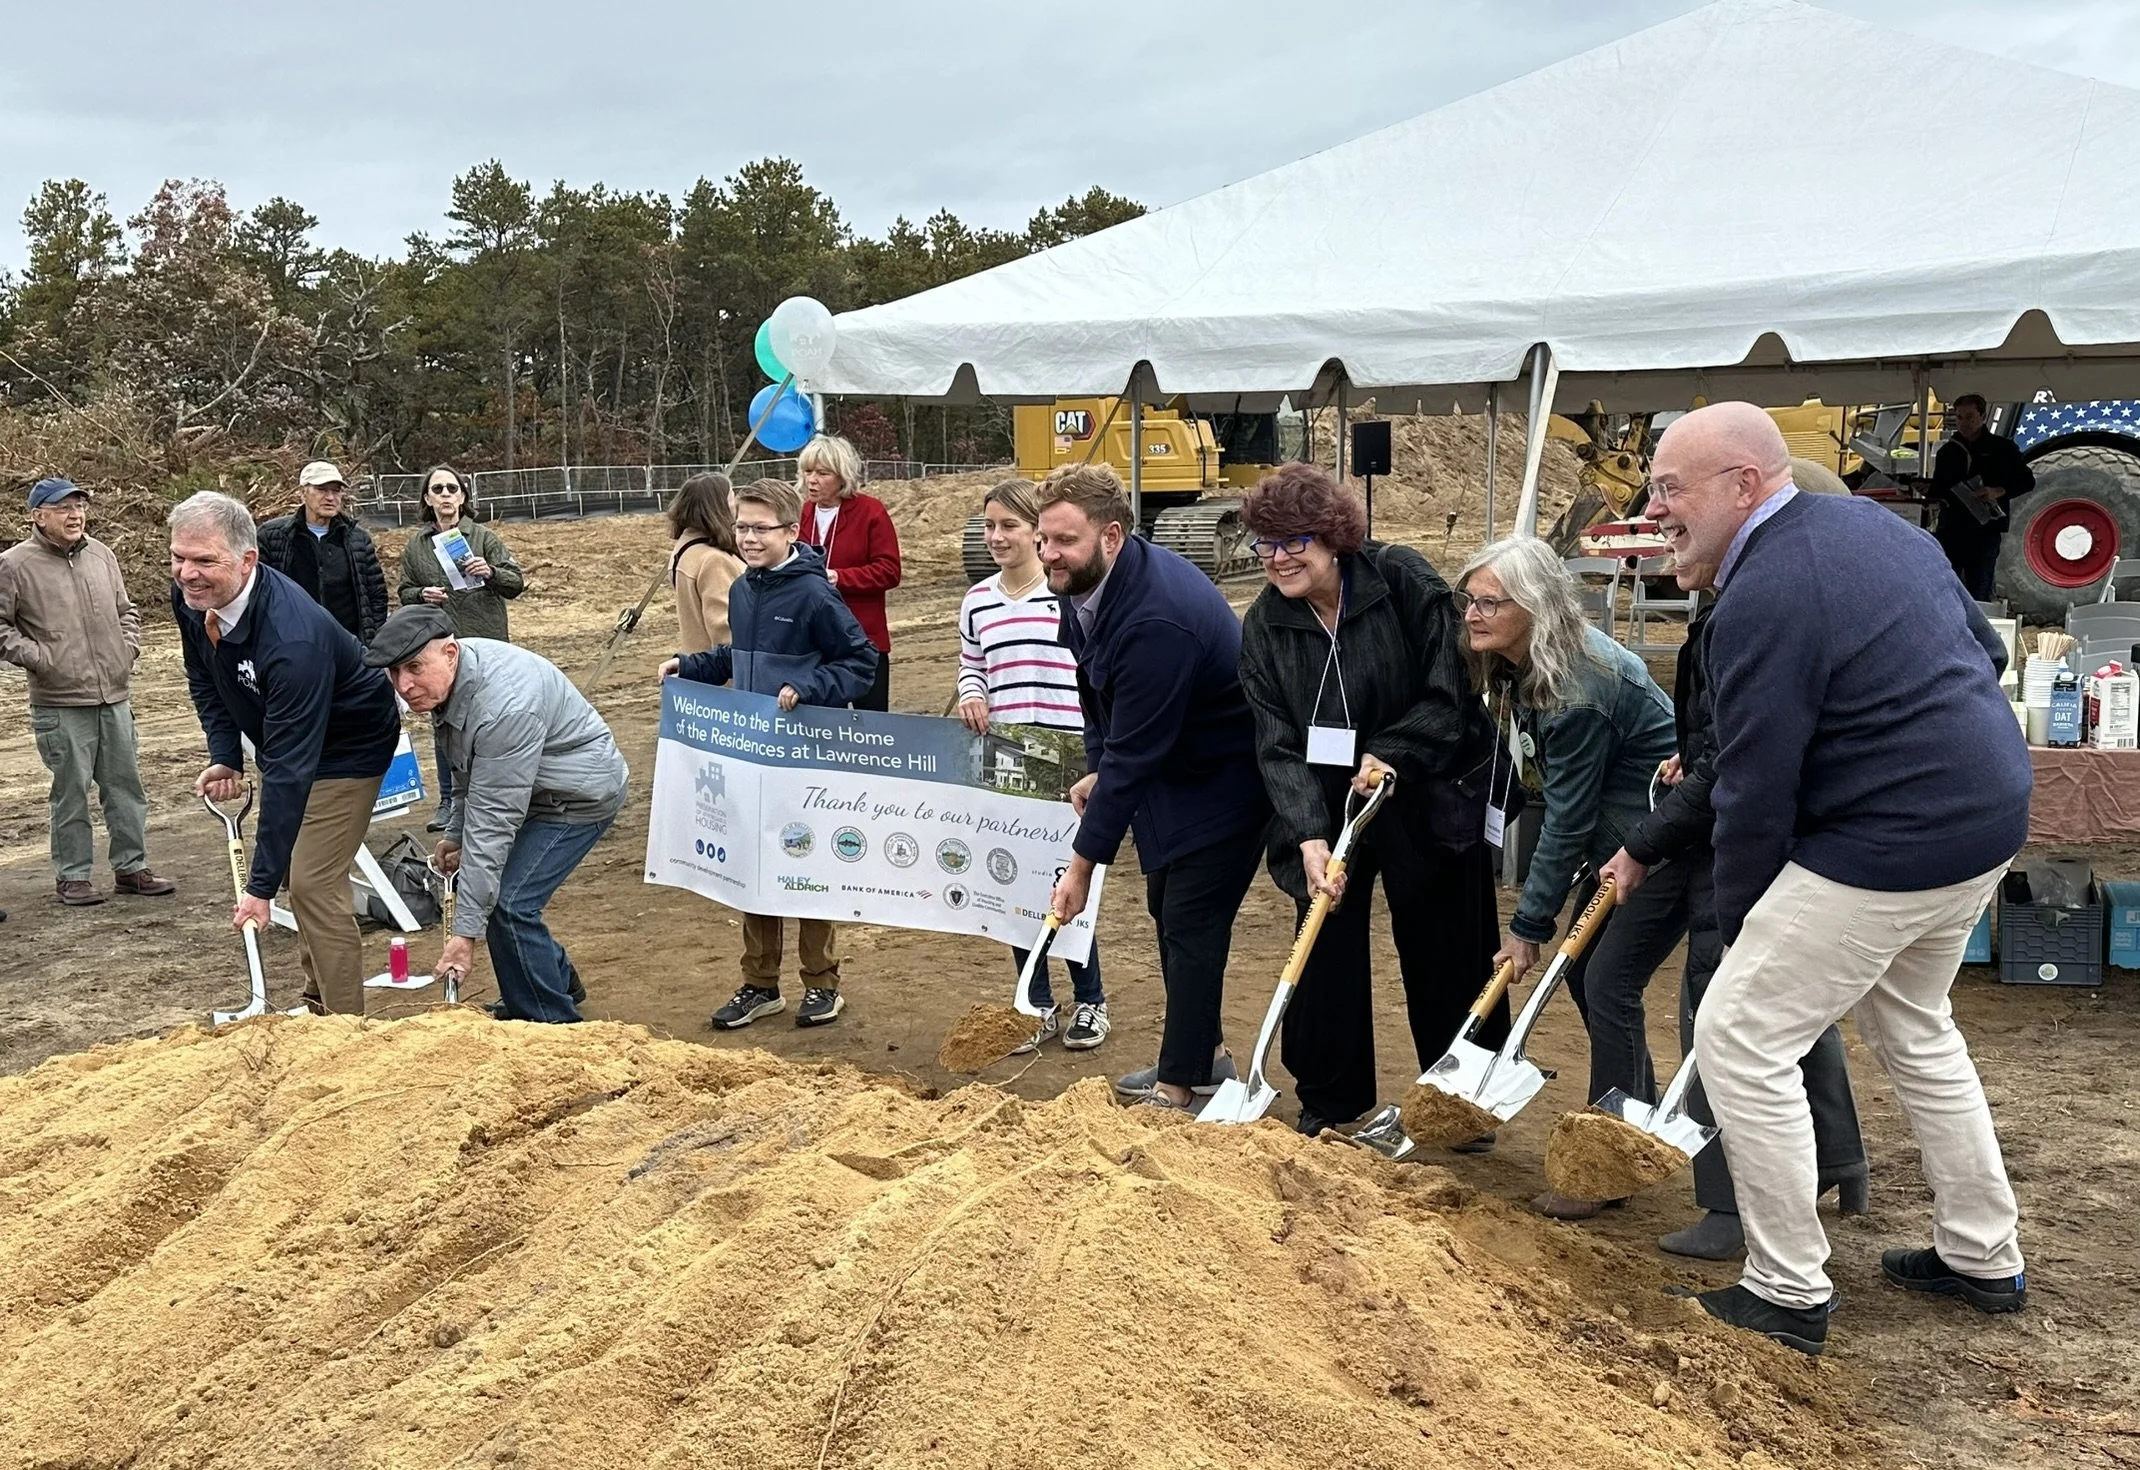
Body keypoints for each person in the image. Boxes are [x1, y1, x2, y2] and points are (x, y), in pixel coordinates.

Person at [1648, 400, 2030, 1356]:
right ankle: (1985, 1253)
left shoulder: (1762, 598)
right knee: (1915, 1021)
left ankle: (1786, 1288)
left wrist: (1740, 933)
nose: (1654, 510)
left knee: (1740, 1034)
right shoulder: (1873, 525)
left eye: (1669, 488)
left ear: (1745, 485)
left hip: (1890, 844)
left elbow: (1754, 792)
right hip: (1986, 821)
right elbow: (1984, 654)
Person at [1599, 586, 1868, 1262]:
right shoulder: (1729, 602)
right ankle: (1838, 1157)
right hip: (1713, 823)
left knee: (1715, 1013)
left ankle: (1728, 1207)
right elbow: (1725, 732)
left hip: (1743, 836)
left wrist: (1642, 844)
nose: (1661, 526)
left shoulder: (1762, 604)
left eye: (1677, 503)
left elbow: (1739, 756)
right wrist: (1693, 753)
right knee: (1768, 999)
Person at [1237, 465, 1502, 1138]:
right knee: (1323, 939)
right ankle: (1330, 1096)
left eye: (1293, 539)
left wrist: (1394, 753)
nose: (1278, 558)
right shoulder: (1266, 622)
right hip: (1329, 802)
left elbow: (1453, 692)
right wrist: (1306, 832)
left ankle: (1460, 1098)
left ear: (1332, 536)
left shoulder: (1402, 580)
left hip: (1423, 782)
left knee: (1445, 941)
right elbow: (1274, 742)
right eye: (1263, 544)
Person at [1455, 536, 1678, 1217]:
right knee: (1590, 977)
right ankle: (1635, 1121)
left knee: (1607, 981)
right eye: (1469, 598)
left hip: (1666, 846)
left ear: (1537, 607)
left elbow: (1569, 819)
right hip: (1623, 845)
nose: (1472, 613)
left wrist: (1528, 927)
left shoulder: (1579, 691)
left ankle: (1608, 1161)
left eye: (1491, 601)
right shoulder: (1525, 672)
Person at [1038, 463, 1270, 1113]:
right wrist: (1095, 764)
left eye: (1065, 540)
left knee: (1190, 924)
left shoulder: (1154, 620)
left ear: (1111, 536)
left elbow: (1135, 755)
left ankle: (1178, 1086)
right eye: (1043, 539)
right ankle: (1208, 1059)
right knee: (1169, 914)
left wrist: (1080, 866)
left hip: (1223, 782)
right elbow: (1093, 692)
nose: (1049, 555)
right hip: (1175, 774)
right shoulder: (1082, 586)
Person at [170, 491, 401, 1016]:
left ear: (247, 559)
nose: (188, 572)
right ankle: (316, 1002)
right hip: (288, 736)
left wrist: (258, 889)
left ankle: (344, 1023)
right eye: (179, 557)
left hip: (349, 745)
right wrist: (226, 753)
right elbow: (206, 678)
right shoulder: (192, 596)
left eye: (204, 560)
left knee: (314, 880)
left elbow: (291, 772)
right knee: (301, 873)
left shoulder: (291, 639)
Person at [663, 478, 878, 1029]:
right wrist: (691, 667)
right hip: (752, 751)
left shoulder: (814, 594)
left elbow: (860, 663)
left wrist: (809, 691)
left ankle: (821, 982)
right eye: (742, 527)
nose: (750, 538)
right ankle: (760, 983)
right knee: (752, 863)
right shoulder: (743, 589)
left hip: (807, 753)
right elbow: (738, 654)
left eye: (762, 529)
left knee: (805, 860)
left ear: (790, 531)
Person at [366, 606, 627, 1023]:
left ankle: (552, 1022)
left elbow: (493, 826)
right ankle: (552, 982)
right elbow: (470, 769)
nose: (404, 685)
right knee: (500, 896)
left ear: (450, 653)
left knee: (509, 902)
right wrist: (455, 832)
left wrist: (462, 937)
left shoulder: (503, 708)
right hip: (535, 785)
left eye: (414, 667)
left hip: (578, 796)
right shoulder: (453, 680)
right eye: (394, 672)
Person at [956, 478, 1106, 1052]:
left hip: (1071, 760)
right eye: (989, 526)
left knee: (1068, 882)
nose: (997, 537)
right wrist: (972, 692)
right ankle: (1035, 1002)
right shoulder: (977, 601)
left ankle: (1091, 1000)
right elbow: (972, 664)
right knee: (1016, 881)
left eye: (1010, 526)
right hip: (1008, 759)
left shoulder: (1068, 594)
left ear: (1036, 532)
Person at [0, 478, 175, 905]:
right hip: (60, 703)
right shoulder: (13, 564)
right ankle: (73, 877)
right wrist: (42, 658)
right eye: (63, 508)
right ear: (38, 516)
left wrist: (127, 648)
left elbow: (126, 610)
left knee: (126, 788)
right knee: (71, 793)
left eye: (79, 506)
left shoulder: (102, 554)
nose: (75, 514)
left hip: (114, 694)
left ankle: (131, 868)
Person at [396, 464, 526, 834]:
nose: (446, 495)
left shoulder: (483, 538)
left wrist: (491, 572)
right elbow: (404, 590)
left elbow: (516, 583)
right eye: (437, 489)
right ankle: (450, 803)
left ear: (464, 497)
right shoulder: (416, 547)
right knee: (445, 727)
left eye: (452, 488)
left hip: (484, 644)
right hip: (437, 649)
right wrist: (421, 595)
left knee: (492, 722)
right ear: (427, 499)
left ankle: (494, 799)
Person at [794, 434, 901, 711]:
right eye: (807, 471)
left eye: (822, 473)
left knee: (872, 725)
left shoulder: (871, 511)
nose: (811, 480)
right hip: (815, 643)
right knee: (825, 727)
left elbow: (889, 571)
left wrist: (839, 578)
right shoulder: (801, 513)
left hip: (864, 640)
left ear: (842, 476)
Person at [257, 460, 390, 643]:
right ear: (303, 493)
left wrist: (368, 640)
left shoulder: (357, 539)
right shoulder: (272, 536)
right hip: (291, 644)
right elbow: (258, 592)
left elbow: (376, 594)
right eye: (321, 490)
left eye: (336, 490)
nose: (330, 497)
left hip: (348, 646)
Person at [1928, 394, 2034, 600]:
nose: (1964, 423)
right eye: (1959, 417)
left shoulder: (2003, 448)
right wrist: (1927, 490)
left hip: (1985, 530)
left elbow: (2027, 481)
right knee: (1946, 588)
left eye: (1969, 417)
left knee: (1980, 588)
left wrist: (1997, 491)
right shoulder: (1947, 452)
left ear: (1983, 416)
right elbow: (1939, 489)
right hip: (1951, 529)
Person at [668, 470, 746, 651]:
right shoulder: (713, 561)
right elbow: (725, 630)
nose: (735, 504)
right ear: (718, 507)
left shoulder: (685, 549)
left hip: (698, 662)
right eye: (731, 497)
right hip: (722, 675)